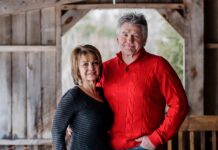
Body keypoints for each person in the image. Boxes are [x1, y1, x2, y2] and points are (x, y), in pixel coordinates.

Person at [99, 12, 189, 150]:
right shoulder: (105, 68)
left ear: (145, 39)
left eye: (136, 35)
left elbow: (179, 104)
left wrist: (156, 138)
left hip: (143, 147)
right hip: (107, 145)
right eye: (125, 34)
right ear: (117, 38)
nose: (129, 40)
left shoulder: (158, 65)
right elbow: (90, 102)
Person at [51, 44, 113, 150]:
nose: (91, 68)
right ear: (77, 69)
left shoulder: (102, 94)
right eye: (85, 64)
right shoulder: (74, 96)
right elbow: (57, 131)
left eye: (95, 63)